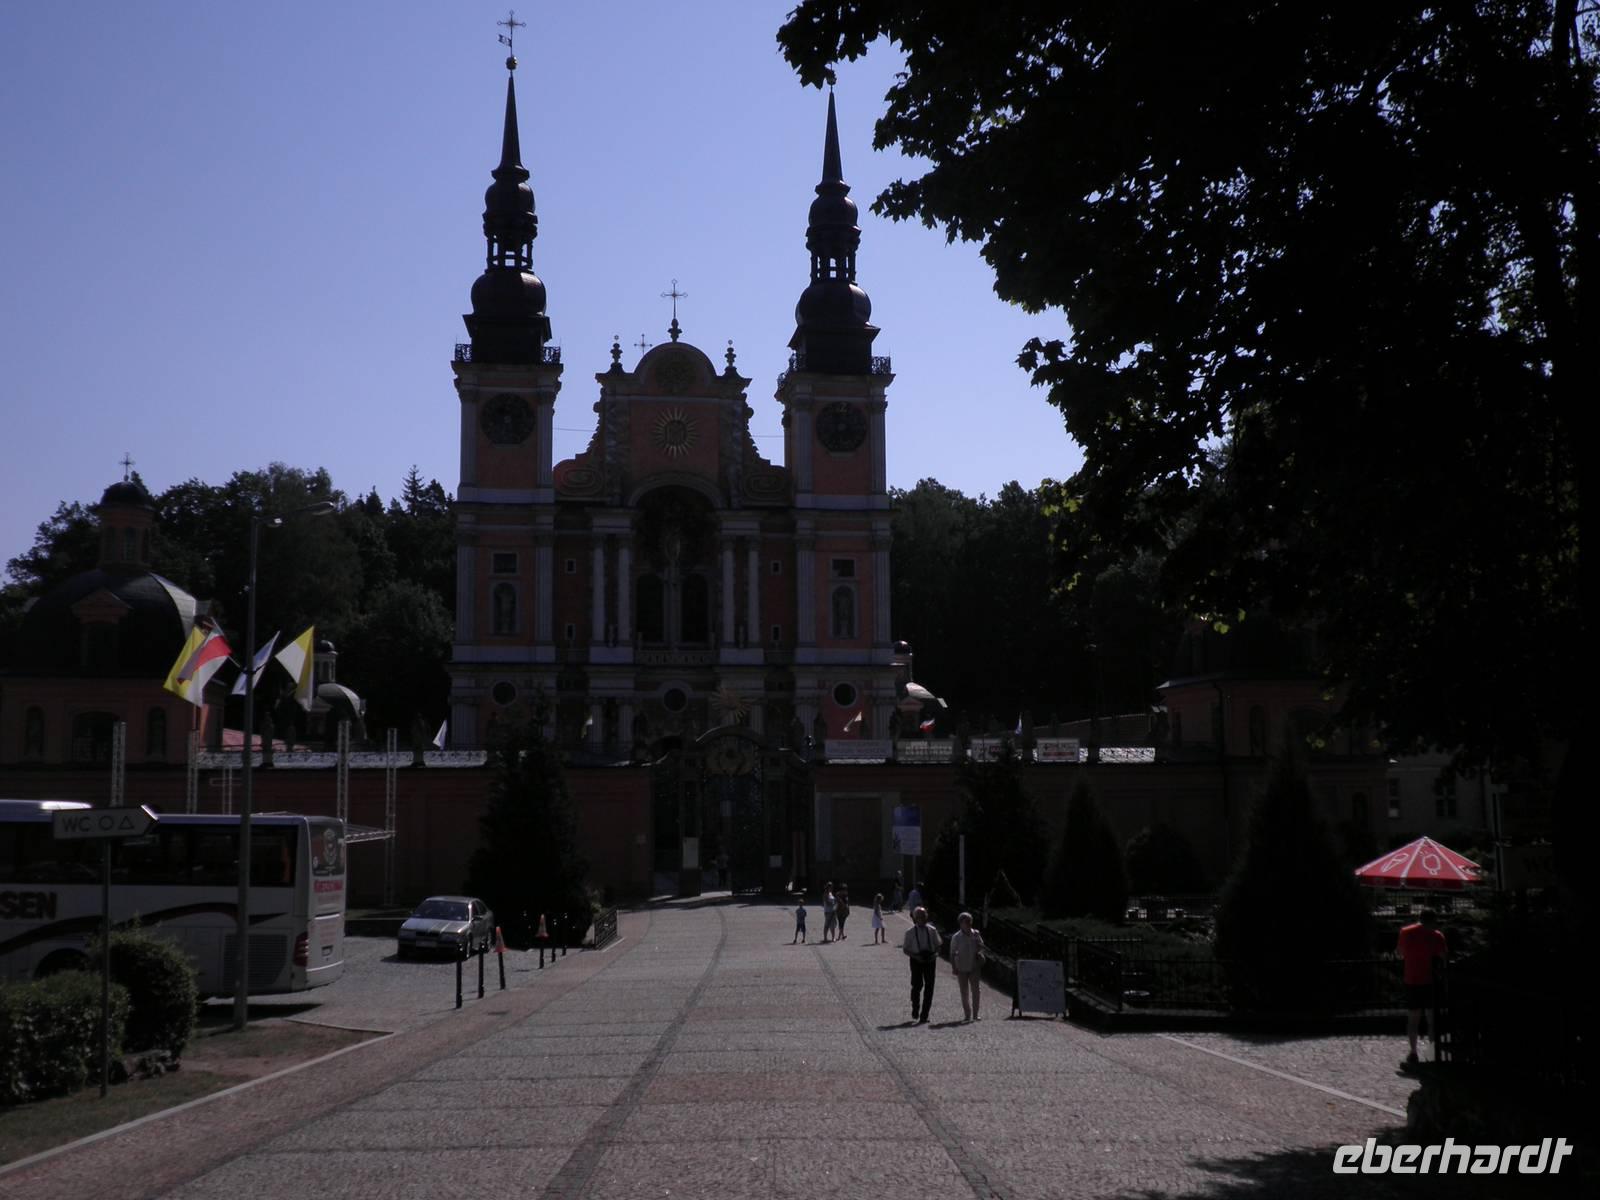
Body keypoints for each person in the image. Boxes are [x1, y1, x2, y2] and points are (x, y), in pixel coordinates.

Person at [1396, 908, 1447, 1064]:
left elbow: (1400, 953)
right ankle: (1432, 1053)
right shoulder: (1436, 936)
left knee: (1413, 1020)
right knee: (1432, 1020)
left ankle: (1413, 1052)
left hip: (1411, 980)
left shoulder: (1406, 932)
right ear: (1433, 920)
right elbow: (1444, 956)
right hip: (1430, 982)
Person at [902, 906, 942, 1023]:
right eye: (919, 917)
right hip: (916, 959)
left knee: (929, 987)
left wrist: (935, 955)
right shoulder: (910, 932)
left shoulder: (932, 930)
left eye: (924, 916)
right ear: (915, 918)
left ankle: (924, 1014)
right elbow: (905, 949)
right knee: (917, 985)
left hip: (930, 959)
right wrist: (916, 956)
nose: (922, 919)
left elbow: (938, 945)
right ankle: (915, 1007)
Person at [949, 912, 986, 1021]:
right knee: (964, 991)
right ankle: (967, 1014)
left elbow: (982, 946)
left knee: (976, 990)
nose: (969, 924)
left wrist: (979, 949)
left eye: (970, 921)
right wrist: (954, 967)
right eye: (966, 922)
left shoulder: (976, 934)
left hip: (974, 966)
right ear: (961, 923)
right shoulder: (956, 937)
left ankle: (975, 1014)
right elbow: (952, 953)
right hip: (961, 967)